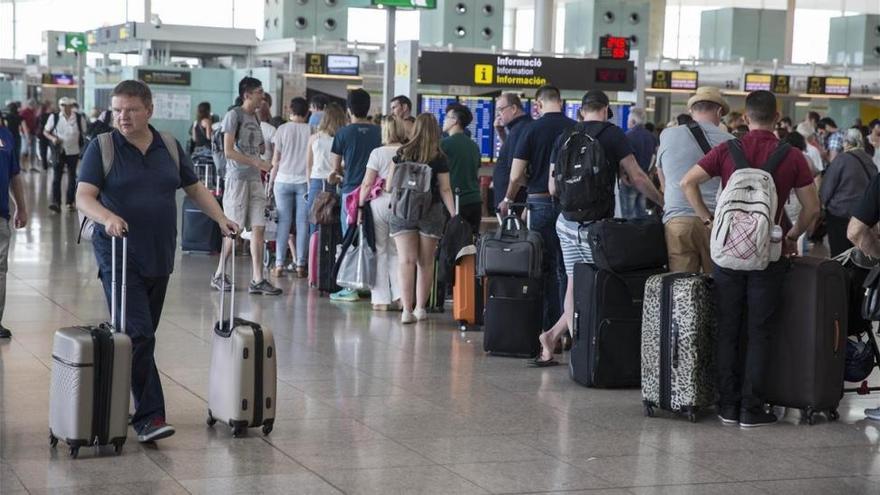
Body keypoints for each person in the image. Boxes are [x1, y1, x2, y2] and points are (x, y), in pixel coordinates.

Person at [77, 80, 238, 442]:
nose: (122, 116)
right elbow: (84, 197)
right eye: (117, 110)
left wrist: (221, 218)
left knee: (138, 337)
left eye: (131, 109)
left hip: (160, 255)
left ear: (149, 109)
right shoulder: (101, 147)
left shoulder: (168, 145)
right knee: (138, 333)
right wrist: (108, 218)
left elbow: (194, 188)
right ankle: (150, 417)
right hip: (118, 255)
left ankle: (119, 398)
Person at [680, 90, 819, 428]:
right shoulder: (793, 156)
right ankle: (751, 408)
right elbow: (813, 209)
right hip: (769, 254)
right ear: (777, 117)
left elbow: (688, 183)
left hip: (728, 253)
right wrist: (789, 234)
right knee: (759, 330)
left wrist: (708, 219)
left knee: (728, 327)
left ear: (745, 117)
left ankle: (727, 405)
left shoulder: (728, 149)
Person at [533, 90, 663, 365]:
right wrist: (662, 201)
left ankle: (555, 335)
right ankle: (587, 349)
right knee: (598, 286)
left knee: (572, 283)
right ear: (606, 110)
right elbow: (638, 176)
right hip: (597, 229)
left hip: (566, 224)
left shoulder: (565, 136)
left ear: (581, 111)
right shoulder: (613, 135)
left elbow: (552, 186)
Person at [500, 85, 575, 334]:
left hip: (539, 203)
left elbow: (515, 174)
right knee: (567, 270)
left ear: (538, 105)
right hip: (569, 206)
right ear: (560, 102)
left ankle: (545, 327)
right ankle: (566, 331)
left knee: (541, 267)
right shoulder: (575, 128)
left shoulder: (531, 129)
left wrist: (517, 191)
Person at [211, 76, 282, 296]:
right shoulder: (234, 115)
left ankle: (258, 279)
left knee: (259, 228)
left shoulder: (255, 118)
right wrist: (257, 162)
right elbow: (228, 150)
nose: (263, 95)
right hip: (237, 179)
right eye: (259, 91)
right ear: (247, 94)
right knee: (234, 229)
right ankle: (219, 274)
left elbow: (259, 147)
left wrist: (262, 150)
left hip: (254, 180)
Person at [656, 86, 733, 273]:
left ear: (691, 111)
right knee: (714, 284)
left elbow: (661, 175)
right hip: (714, 221)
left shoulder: (667, 135)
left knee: (682, 287)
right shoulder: (729, 141)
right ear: (720, 111)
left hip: (677, 220)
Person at [389, 113, 455, 323]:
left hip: (403, 211)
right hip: (431, 212)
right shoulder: (439, 157)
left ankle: (406, 311)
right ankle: (420, 309)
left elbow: (390, 185)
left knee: (405, 261)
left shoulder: (401, 153)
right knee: (425, 263)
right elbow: (445, 189)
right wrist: (454, 214)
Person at [328, 89, 381, 302]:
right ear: (368, 108)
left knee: (350, 238)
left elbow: (335, 169)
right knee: (372, 238)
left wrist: (341, 172)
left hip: (351, 192)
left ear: (349, 109)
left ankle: (351, 286)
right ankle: (371, 284)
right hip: (375, 192)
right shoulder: (380, 132)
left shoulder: (343, 133)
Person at [358, 116, 407, 311]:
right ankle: (401, 296)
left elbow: (367, 183)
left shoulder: (377, 153)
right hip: (402, 203)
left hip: (380, 202)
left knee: (380, 250)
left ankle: (380, 300)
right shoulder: (407, 151)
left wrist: (360, 205)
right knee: (397, 252)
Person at [270, 97, 312, 278]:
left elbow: (275, 160)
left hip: (282, 180)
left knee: (283, 223)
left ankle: (279, 264)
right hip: (304, 181)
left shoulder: (282, 129)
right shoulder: (312, 130)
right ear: (307, 112)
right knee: (303, 223)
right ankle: (301, 265)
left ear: (290, 111)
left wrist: (270, 183)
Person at [820, 128, 877, 257]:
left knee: (840, 255)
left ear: (847, 142)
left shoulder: (841, 159)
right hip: (863, 217)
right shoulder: (869, 160)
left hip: (839, 215)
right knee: (859, 255)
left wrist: (823, 205)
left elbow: (827, 187)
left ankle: (841, 277)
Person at [0, 123, 28, 339]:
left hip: (1, 215)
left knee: (0, 271)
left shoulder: (6, 135)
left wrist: (21, 206)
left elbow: (13, 174)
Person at [441, 103, 482, 231]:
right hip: (475, 201)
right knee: (470, 246)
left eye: (447, 117)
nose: (444, 120)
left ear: (455, 121)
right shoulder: (474, 146)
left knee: (450, 246)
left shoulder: (443, 145)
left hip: (454, 203)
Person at [44, 97, 88, 213]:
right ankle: (56, 203)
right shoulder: (54, 117)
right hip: (59, 152)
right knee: (56, 177)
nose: (64, 107)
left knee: (72, 177)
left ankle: (70, 202)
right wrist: (53, 138)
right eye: (62, 105)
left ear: (71, 106)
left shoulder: (78, 118)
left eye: (66, 105)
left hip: (73, 151)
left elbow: (84, 133)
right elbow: (45, 131)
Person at [307, 103, 346, 235]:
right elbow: (343, 165)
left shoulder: (314, 139)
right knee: (336, 223)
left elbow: (308, 166)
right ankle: (333, 253)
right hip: (336, 184)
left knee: (314, 221)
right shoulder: (342, 140)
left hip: (316, 183)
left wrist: (309, 185)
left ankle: (314, 253)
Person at [492, 93, 531, 211]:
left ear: (513, 109)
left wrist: (508, 199)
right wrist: (501, 133)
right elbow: (514, 153)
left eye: (500, 109)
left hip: (514, 204)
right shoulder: (521, 127)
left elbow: (517, 173)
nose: (499, 114)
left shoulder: (518, 130)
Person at [620, 107, 657, 218]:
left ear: (633, 121)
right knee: (641, 213)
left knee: (628, 215)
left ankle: (629, 235)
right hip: (645, 179)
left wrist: (622, 175)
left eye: (628, 119)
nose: (627, 122)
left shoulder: (627, 136)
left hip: (629, 180)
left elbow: (623, 159)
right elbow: (655, 157)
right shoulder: (652, 136)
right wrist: (650, 173)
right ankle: (641, 234)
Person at [19, 99, 38, 172]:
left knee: (33, 150)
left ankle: (32, 166)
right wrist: (27, 135)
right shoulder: (24, 112)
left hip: (33, 133)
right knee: (25, 150)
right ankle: (21, 166)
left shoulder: (33, 112)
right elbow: (23, 124)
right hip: (26, 134)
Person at [36, 101, 53, 171]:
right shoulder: (51, 116)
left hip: (41, 135)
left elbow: (36, 125)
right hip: (50, 134)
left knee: (43, 151)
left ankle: (44, 165)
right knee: (52, 150)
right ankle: (51, 163)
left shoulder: (39, 115)